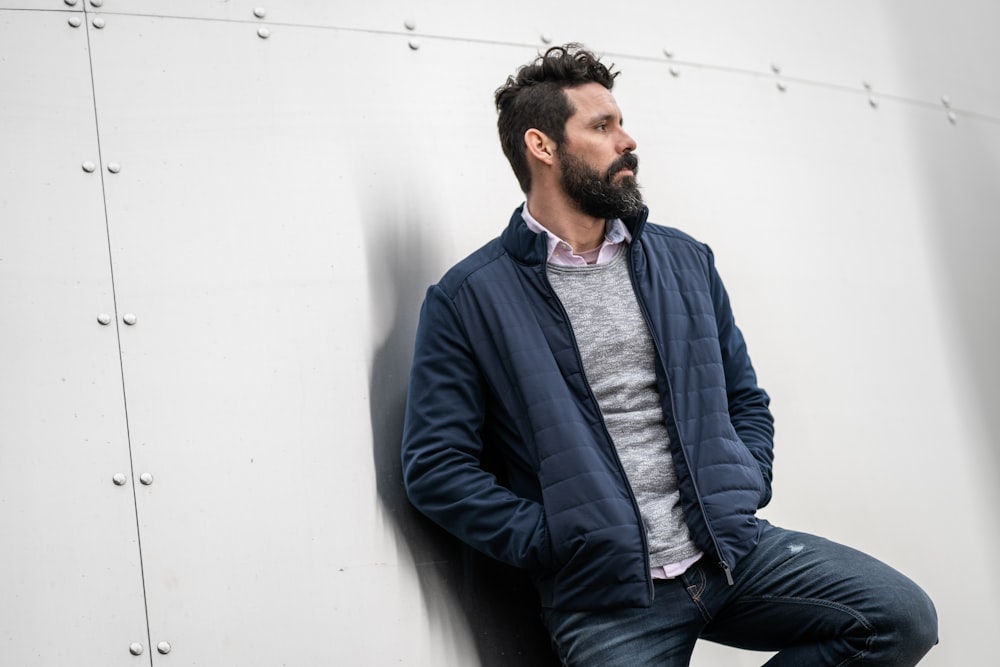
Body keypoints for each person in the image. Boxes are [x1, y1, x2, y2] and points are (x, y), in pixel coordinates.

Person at [400, 43, 938, 666]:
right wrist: (558, 541)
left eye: (621, 123)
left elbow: (745, 399)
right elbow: (436, 467)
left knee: (899, 617)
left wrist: (742, 483)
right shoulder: (471, 298)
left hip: (730, 554)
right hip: (606, 597)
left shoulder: (684, 261)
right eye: (602, 126)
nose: (627, 141)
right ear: (542, 146)